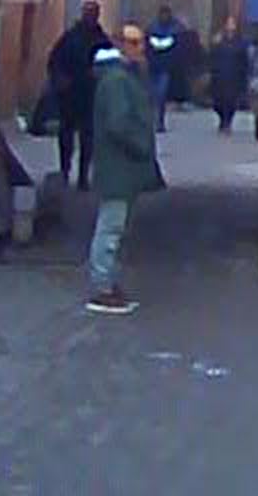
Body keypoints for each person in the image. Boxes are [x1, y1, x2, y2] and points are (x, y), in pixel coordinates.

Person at [83, 21, 164, 316]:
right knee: (110, 228)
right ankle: (102, 288)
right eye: (134, 42)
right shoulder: (117, 80)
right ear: (121, 45)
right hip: (118, 166)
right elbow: (118, 123)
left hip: (121, 166)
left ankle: (106, 283)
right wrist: (141, 145)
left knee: (115, 227)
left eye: (141, 42)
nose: (141, 49)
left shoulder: (122, 77)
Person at [42, 2, 106, 190]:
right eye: (88, 13)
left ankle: (83, 176)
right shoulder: (70, 37)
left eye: (93, 13)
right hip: (69, 94)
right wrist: (59, 79)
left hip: (90, 94)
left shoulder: (101, 39)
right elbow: (54, 60)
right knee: (66, 135)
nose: (90, 17)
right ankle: (65, 170)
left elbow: (110, 64)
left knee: (87, 137)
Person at [146, 5, 186, 131]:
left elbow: (179, 50)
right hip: (154, 67)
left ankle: (159, 121)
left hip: (165, 68)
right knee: (154, 95)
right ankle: (155, 121)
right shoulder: (152, 28)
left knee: (160, 95)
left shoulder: (174, 29)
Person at [208, 18, 250, 135]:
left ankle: (227, 122)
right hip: (219, 76)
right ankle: (222, 118)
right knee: (218, 102)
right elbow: (211, 57)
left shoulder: (241, 43)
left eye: (233, 24)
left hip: (234, 77)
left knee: (230, 101)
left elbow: (245, 61)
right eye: (229, 24)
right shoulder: (219, 41)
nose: (231, 27)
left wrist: (244, 77)